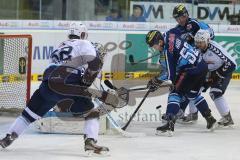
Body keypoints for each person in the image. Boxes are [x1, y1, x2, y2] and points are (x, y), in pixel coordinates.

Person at [0, 23, 117, 155]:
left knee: (28, 115)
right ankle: (90, 141)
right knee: (92, 114)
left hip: (48, 85)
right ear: (83, 34)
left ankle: (8, 137)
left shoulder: (59, 46)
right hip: (69, 83)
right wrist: (87, 79)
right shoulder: (84, 44)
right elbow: (94, 64)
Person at [145, 29, 217, 136]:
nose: (153, 48)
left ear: (160, 42)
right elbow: (180, 35)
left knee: (175, 93)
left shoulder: (166, 52)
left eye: (153, 45)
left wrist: (157, 81)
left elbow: (171, 75)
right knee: (192, 94)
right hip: (202, 65)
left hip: (190, 70)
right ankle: (210, 119)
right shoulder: (170, 34)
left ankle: (169, 125)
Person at [172, 4, 215, 123]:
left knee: (191, 88)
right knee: (190, 88)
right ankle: (192, 113)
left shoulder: (195, 24)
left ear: (186, 15)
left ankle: (188, 112)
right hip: (190, 62)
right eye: (177, 18)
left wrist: (195, 40)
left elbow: (211, 35)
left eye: (181, 17)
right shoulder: (177, 29)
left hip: (201, 61)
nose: (179, 20)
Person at [194, 29, 236, 127]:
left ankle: (227, 118)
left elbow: (232, 64)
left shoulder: (215, 49)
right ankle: (193, 114)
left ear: (208, 40)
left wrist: (218, 74)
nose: (199, 44)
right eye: (197, 42)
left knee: (215, 92)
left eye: (201, 42)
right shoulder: (196, 49)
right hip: (208, 72)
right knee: (193, 91)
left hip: (223, 71)